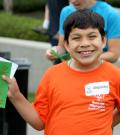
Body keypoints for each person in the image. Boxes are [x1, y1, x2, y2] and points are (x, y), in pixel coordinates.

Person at [3, 9, 120, 134]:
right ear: (67, 45)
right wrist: (16, 95)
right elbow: (39, 122)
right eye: (76, 38)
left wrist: (106, 123)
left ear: (103, 41)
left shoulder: (115, 75)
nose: (85, 43)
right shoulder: (52, 75)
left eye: (92, 37)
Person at [46, 0, 120, 63]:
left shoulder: (112, 15)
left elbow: (113, 55)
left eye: (92, 36)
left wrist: (83, 59)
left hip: (99, 71)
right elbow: (62, 47)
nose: (73, 1)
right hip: (70, 71)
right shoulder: (66, 11)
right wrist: (54, 51)